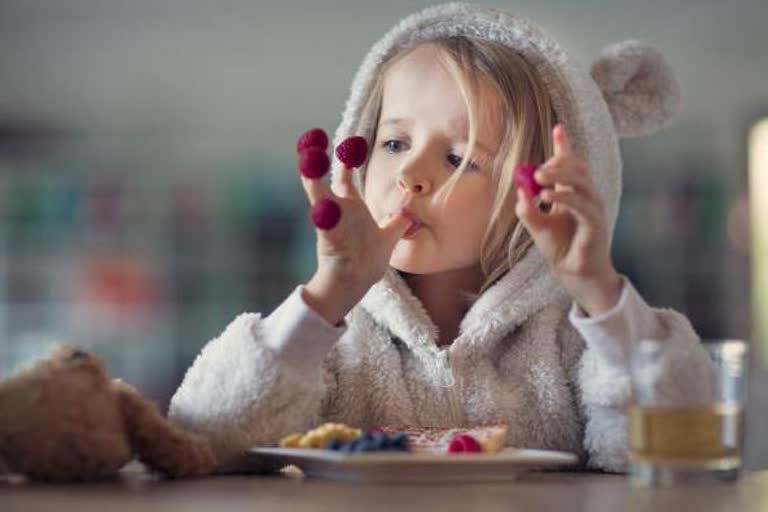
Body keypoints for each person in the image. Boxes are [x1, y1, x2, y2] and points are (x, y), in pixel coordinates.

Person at [168, 3, 713, 473]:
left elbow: (682, 446)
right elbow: (200, 439)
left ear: (541, 190)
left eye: (458, 157)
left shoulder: (571, 343)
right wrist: (327, 295)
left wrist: (598, 291)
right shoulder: (334, 342)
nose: (410, 175)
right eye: (395, 142)